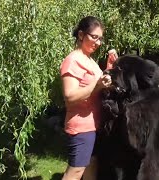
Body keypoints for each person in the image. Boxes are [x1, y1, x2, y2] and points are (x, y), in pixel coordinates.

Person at [59, 16, 118, 180]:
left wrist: (111, 66)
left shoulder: (89, 60)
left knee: (91, 168)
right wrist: (98, 85)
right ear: (80, 35)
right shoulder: (73, 61)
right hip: (81, 128)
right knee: (76, 172)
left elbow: (99, 84)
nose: (98, 42)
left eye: (100, 38)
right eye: (94, 37)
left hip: (94, 126)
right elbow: (69, 97)